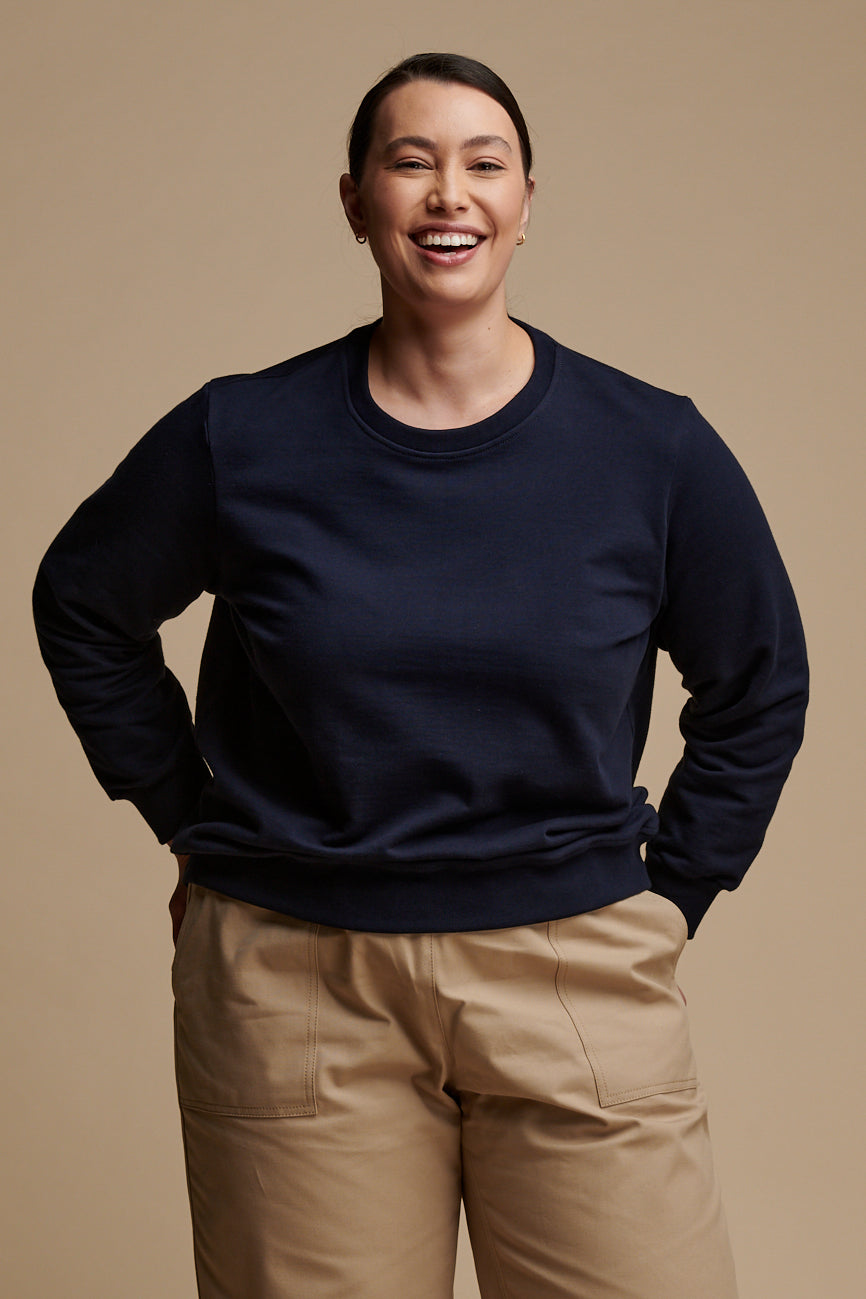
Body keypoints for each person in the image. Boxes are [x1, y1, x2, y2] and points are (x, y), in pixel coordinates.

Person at [33, 51, 808, 1299]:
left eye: (481, 164)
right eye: (411, 162)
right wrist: (184, 813)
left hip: (573, 971)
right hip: (296, 975)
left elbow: (759, 681)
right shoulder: (244, 435)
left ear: (524, 199)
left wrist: (674, 892)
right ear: (354, 202)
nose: (448, 194)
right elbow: (82, 602)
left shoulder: (648, 447)